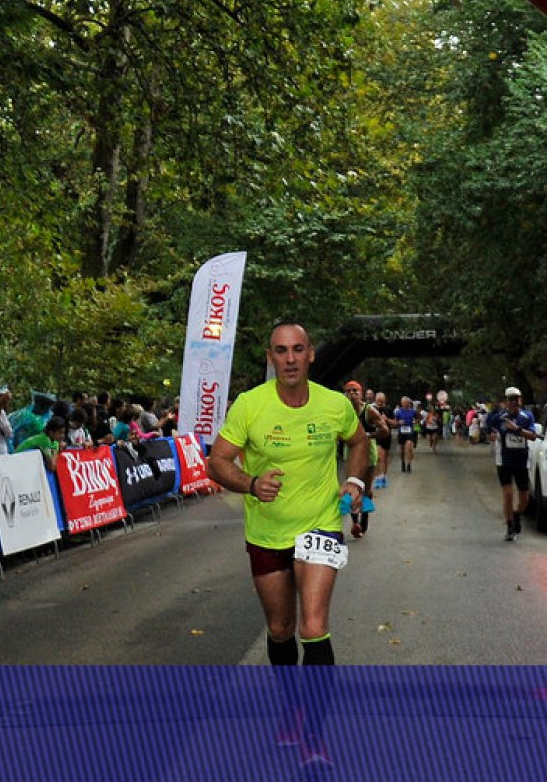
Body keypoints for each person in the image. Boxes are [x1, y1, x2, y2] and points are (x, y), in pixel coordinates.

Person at [206, 322, 366, 766]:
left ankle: (314, 735)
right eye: (281, 351)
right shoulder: (250, 405)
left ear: (311, 354)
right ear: (270, 357)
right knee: (280, 630)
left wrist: (354, 482)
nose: (290, 359)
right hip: (267, 533)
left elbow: (359, 442)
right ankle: (292, 707)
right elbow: (217, 462)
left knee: (313, 627)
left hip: (319, 526)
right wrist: (251, 483)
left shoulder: (334, 404)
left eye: (298, 349)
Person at [486, 386, 537, 541]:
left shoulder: (526, 416)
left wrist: (517, 430)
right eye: (511, 399)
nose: (514, 402)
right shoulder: (498, 417)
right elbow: (489, 431)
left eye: (517, 399)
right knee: (508, 495)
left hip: (521, 461)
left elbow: (533, 436)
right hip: (504, 461)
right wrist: (491, 436)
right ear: (506, 401)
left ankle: (517, 515)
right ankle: (509, 526)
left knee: (524, 499)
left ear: (520, 400)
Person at [341, 382, 380, 540]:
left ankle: (364, 520)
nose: (352, 394)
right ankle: (355, 523)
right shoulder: (342, 411)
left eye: (355, 391)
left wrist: (367, 436)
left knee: (366, 489)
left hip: (369, 453)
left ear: (361, 393)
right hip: (350, 452)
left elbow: (384, 429)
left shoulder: (369, 410)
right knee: (351, 486)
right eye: (348, 391)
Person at [371, 391, 393, 488]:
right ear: (375, 400)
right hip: (376, 436)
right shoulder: (371, 409)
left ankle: (384, 476)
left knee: (384, 458)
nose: (380, 403)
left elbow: (395, 423)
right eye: (378, 401)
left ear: (384, 401)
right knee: (378, 457)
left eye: (382, 401)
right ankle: (378, 478)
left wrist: (387, 420)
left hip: (386, 436)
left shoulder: (388, 409)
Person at [392, 395, 418, 472]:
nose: (404, 404)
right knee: (402, 449)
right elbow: (395, 422)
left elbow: (418, 419)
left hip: (410, 432)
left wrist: (415, 422)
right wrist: (398, 422)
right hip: (401, 432)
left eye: (406, 402)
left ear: (408, 403)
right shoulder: (398, 412)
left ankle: (409, 464)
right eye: (403, 403)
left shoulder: (413, 411)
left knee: (409, 447)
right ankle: (403, 462)